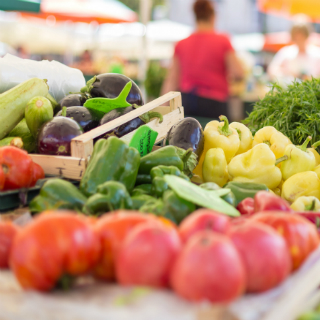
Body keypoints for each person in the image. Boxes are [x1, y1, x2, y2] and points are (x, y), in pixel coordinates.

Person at [161, 0, 244, 119]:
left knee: (187, 136)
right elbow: (239, 73)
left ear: (195, 16)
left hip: (187, 102)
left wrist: (162, 109)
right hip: (215, 104)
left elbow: (172, 80)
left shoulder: (181, 44)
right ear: (213, 17)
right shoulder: (223, 41)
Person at [268, 15, 320, 85]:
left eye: (302, 36)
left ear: (306, 35)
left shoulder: (316, 54)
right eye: (296, 37)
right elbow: (272, 70)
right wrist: (287, 72)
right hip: (290, 91)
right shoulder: (286, 53)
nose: (299, 39)